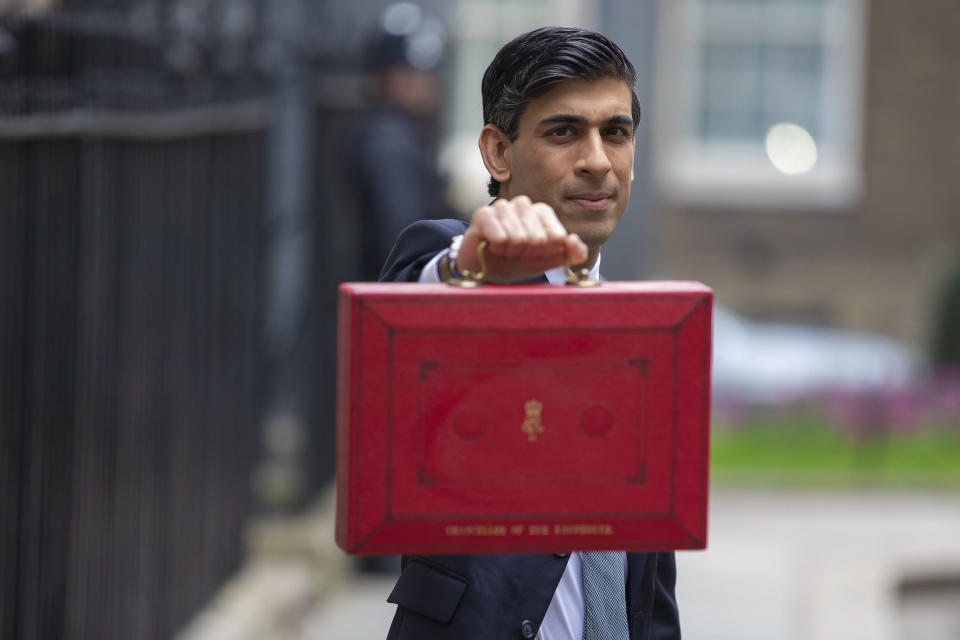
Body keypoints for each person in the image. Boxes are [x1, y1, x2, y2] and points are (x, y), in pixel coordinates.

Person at [379, 27, 681, 640]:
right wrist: (474, 271)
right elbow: (411, 305)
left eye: (616, 133)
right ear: (498, 153)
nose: (597, 160)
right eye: (564, 131)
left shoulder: (644, 339)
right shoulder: (451, 263)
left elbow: (648, 588)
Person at [353, 5, 459, 281]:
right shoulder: (386, 140)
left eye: (427, 73)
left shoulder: (406, 130)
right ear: (384, 76)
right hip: (395, 289)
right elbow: (398, 232)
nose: (423, 83)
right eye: (408, 74)